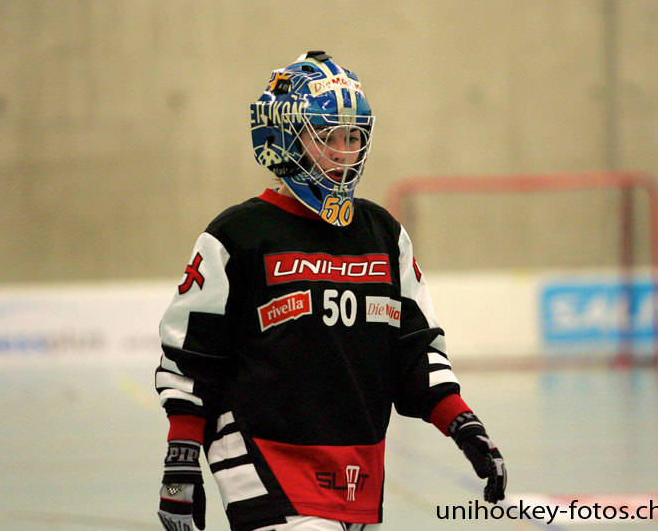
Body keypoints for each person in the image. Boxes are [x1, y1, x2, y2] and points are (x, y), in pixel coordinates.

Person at [154, 50, 507, 531]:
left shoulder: (384, 234)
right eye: (326, 137)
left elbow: (414, 350)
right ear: (284, 138)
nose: (343, 152)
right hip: (265, 462)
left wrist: (464, 424)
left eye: (352, 137)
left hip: (360, 471)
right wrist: (180, 463)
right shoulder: (237, 236)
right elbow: (192, 356)